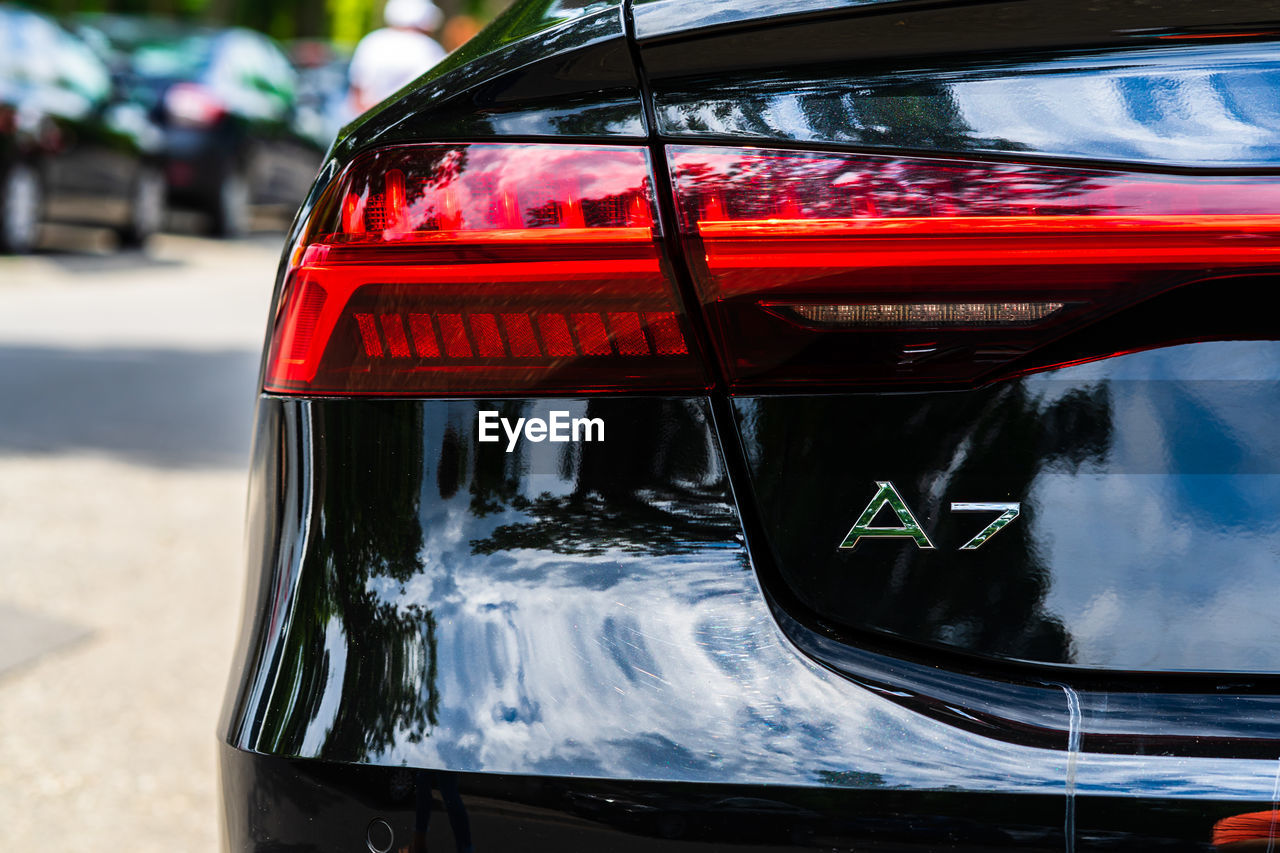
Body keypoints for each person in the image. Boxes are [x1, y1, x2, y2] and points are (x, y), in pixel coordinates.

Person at [348, 0, 446, 114]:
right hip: (410, 120)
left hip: (369, 120)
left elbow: (357, 93)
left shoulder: (372, 41)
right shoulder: (428, 47)